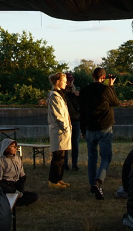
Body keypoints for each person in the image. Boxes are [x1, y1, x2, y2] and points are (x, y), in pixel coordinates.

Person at [79, 67, 119, 200]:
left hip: (90, 128)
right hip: (104, 127)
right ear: (103, 77)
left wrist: (83, 129)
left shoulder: (85, 90)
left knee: (92, 157)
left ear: (92, 76)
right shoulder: (106, 89)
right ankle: (98, 181)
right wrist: (111, 86)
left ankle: (92, 184)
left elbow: (82, 111)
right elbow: (115, 102)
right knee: (106, 156)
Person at [0, 138, 39, 207]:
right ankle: (9, 201)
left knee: (34, 196)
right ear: (6, 148)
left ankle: (14, 202)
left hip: (16, 185)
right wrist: (12, 190)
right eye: (13, 146)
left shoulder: (17, 159)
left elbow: (22, 177)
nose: (15, 148)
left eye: (16, 146)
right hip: (5, 187)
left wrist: (20, 191)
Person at [46, 72, 72, 188]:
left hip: (63, 130)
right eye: (64, 81)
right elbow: (59, 115)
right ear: (57, 82)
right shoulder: (54, 96)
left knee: (62, 155)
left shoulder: (59, 95)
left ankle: (58, 178)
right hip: (59, 130)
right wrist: (66, 127)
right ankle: (53, 180)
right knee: (58, 155)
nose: (66, 83)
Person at [62, 73, 81, 172]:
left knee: (75, 143)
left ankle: (74, 164)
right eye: (69, 81)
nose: (70, 82)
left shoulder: (74, 92)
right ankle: (66, 164)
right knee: (66, 143)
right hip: (68, 120)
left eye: (71, 80)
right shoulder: (63, 93)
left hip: (75, 119)